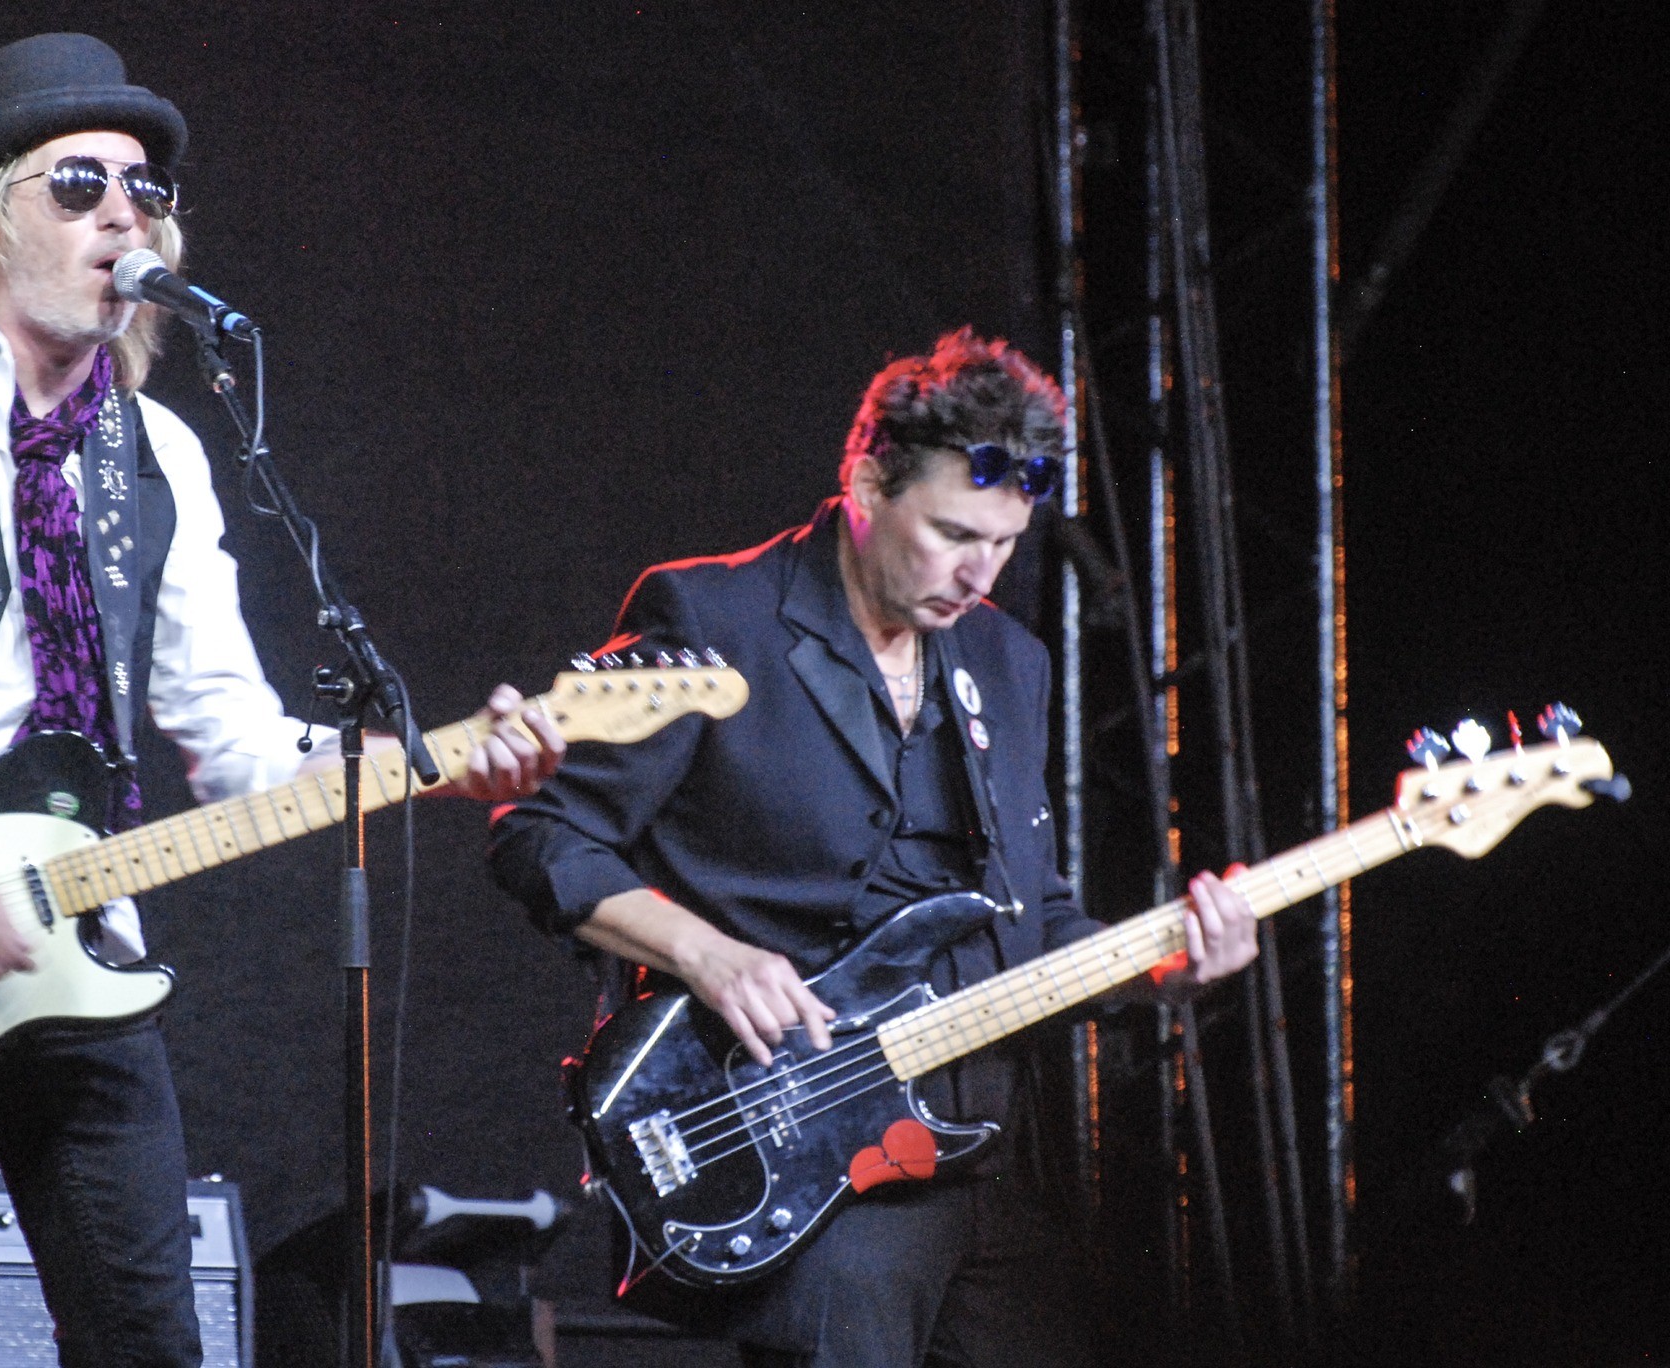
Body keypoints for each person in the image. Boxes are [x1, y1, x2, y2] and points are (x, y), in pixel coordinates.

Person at [0, 33, 562, 1368]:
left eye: (148, 191)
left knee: (149, 1332)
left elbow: (237, 744)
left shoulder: (155, 451)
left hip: (78, 938)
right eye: (79, 185)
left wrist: (446, 760)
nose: (126, 214)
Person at [488, 327, 1258, 1368]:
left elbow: (1029, 919)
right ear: (863, 485)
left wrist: (1165, 969)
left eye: (1004, 543)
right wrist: (706, 954)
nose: (978, 573)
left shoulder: (1007, 659)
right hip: (809, 1159)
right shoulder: (714, 616)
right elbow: (541, 832)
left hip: (985, 1163)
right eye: (951, 533)